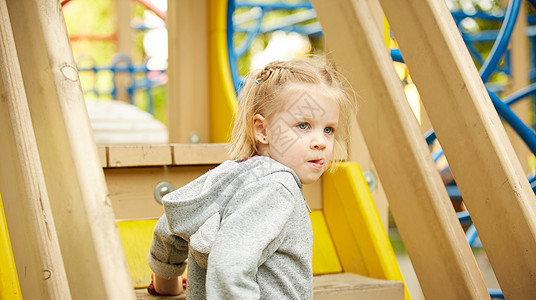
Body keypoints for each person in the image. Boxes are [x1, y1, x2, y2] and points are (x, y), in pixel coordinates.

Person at [147, 58, 356, 299]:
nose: (320, 142)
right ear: (263, 130)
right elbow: (228, 267)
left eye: (328, 129)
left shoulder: (231, 173)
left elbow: (172, 223)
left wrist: (165, 283)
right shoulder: (277, 189)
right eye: (303, 125)